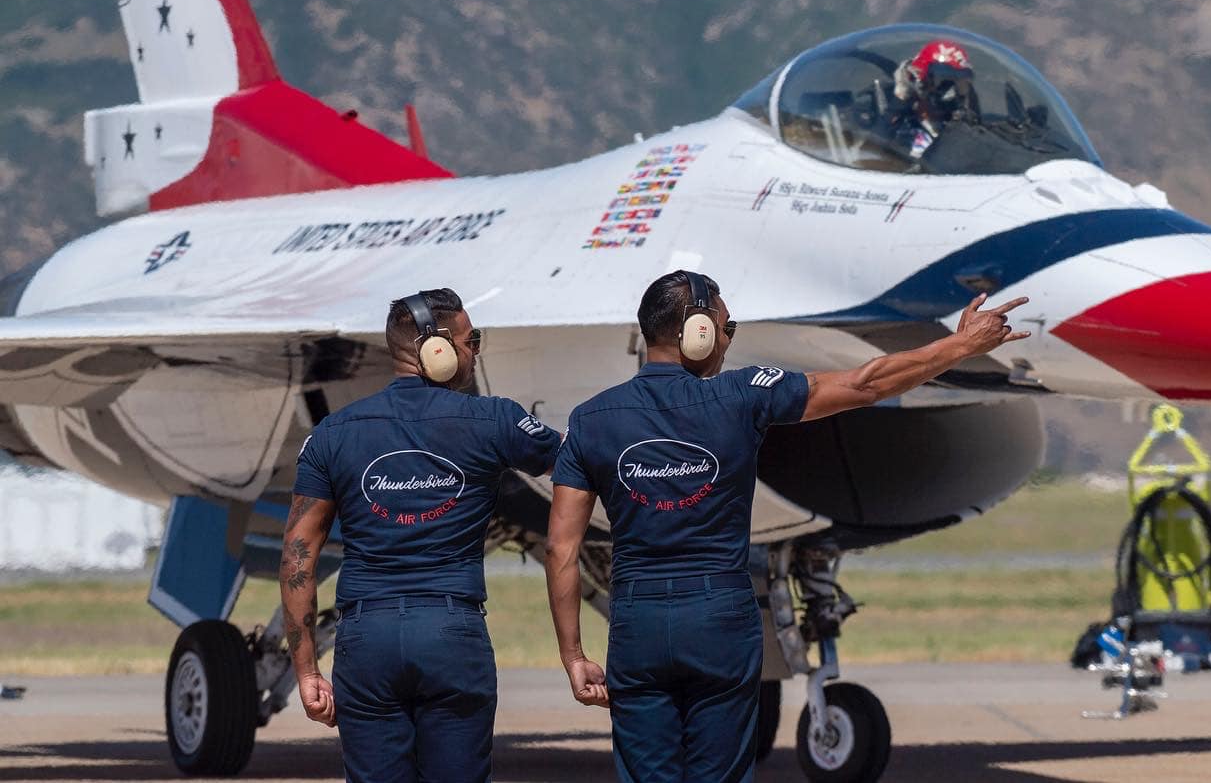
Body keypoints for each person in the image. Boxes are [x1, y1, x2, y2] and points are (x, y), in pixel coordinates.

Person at [543, 270, 1027, 783]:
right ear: (697, 332)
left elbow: (561, 549)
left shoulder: (591, 419)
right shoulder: (742, 395)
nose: (728, 343)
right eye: (727, 330)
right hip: (718, 620)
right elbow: (867, 384)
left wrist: (574, 656)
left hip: (637, 623)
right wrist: (958, 346)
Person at [281, 288, 561, 783]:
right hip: (450, 634)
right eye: (471, 339)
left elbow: (298, 556)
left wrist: (305, 671)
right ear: (439, 348)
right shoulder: (492, 419)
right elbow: (583, 458)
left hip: (367, 640)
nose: (476, 350)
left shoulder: (333, 433)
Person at [889, 38, 978, 162]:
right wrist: (899, 101)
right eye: (942, 83)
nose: (950, 93)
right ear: (918, 84)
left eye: (957, 84)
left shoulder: (964, 135)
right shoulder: (900, 134)